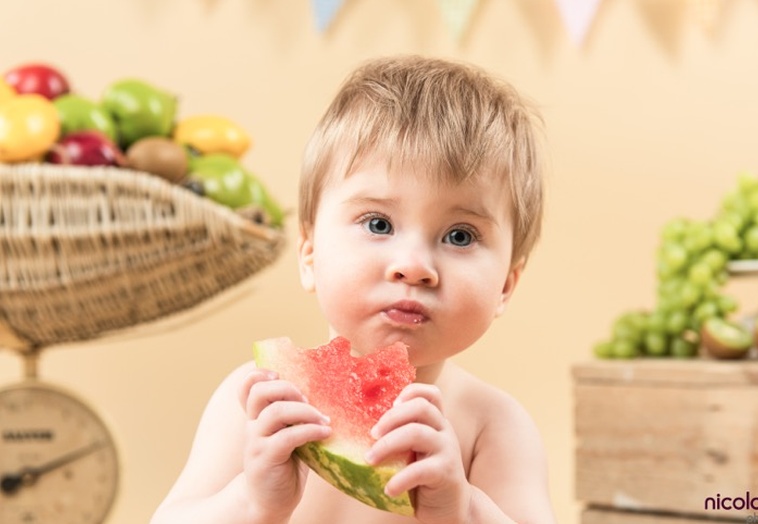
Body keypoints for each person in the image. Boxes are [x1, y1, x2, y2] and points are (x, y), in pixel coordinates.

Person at [151, 55, 555, 524]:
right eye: (379, 223)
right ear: (309, 255)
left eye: (460, 235)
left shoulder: (494, 427)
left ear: (506, 286)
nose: (414, 267)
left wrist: (459, 508)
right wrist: (252, 501)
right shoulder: (258, 401)